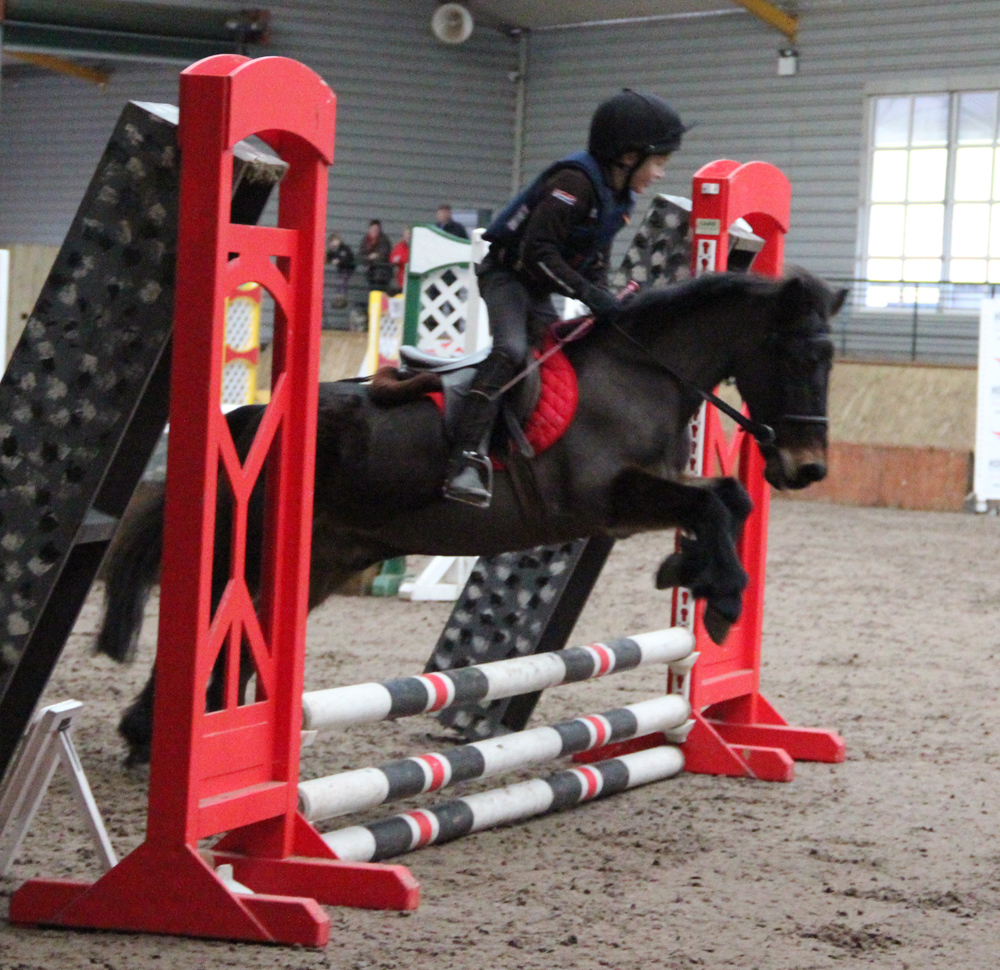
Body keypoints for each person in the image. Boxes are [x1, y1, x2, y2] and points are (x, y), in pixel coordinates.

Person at [443, 89, 687, 507]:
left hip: (539, 286)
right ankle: (463, 457)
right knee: (511, 350)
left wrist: (606, 302)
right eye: (659, 162)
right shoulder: (573, 183)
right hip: (507, 277)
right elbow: (537, 252)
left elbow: (593, 261)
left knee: (559, 360)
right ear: (628, 157)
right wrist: (590, 293)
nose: (661, 174)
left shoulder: (617, 198)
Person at [359, 219, 393, 291]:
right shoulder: (365, 240)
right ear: (369, 229)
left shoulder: (384, 240)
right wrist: (370, 257)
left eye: (376, 229)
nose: (374, 231)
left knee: (380, 294)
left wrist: (370, 259)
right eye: (372, 229)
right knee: (373, 294)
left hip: (382, 275)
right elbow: (360, 255)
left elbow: (383, 255)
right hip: (370, 275)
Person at [325, 231, 355, 307]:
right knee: (340, 281)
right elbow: (328, 258)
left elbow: (347, 258)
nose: (334, 243)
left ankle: (341, 297)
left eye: (335, 241)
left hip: (348, 269)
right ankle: (339, 296)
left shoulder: (344, 248)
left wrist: (339, 261)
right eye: (332, 242)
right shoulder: (332, 250)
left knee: (343, 280)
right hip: (340, 270)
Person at [389, 226, 411, 295]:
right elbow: (393, 259)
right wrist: (403, 260)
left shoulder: (415, 247)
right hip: (400, 278)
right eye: (406, 234)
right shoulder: (399, 246)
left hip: (411, 277)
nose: (408, 236)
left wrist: (401, 259)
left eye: (409, 234)